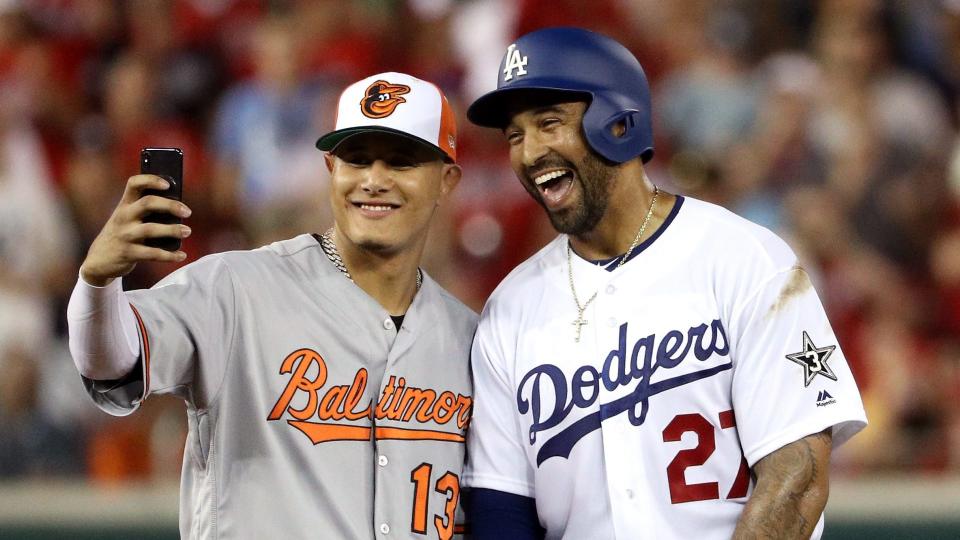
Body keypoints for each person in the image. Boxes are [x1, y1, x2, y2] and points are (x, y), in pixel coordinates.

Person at [461, 27, 868, 540]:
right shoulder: (509, 310)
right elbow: (503, 514)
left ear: (619, 123)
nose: (529, 151)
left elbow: (798, 474)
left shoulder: (745, 259)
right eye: (515, 135)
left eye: (549, 123)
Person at [67, 72, 475, 539]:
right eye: (356, 160)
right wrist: (98, 283)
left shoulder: (469, 338)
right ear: (330, 170)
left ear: (446, 180)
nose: (374, 180)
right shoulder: (236, 289)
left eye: (401, 163)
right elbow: (112, 363)